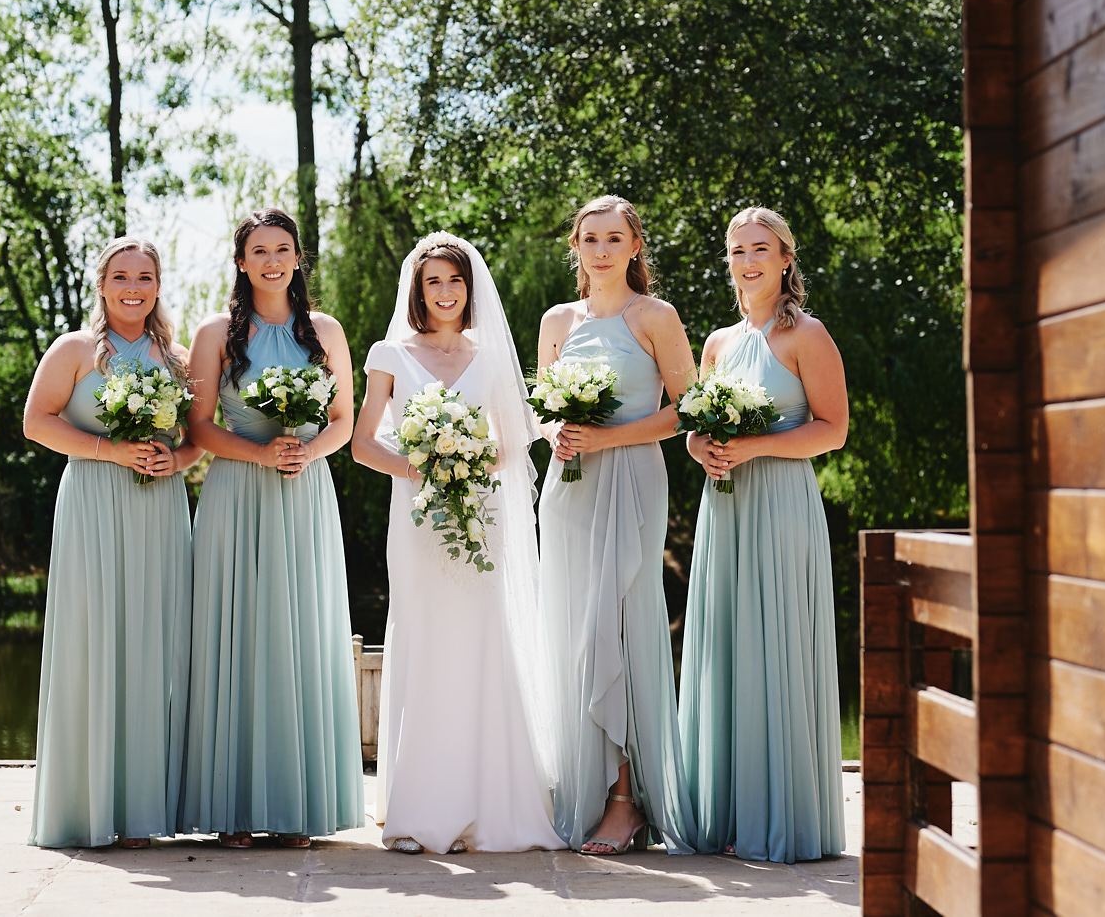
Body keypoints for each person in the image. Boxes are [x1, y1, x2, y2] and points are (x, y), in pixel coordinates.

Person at [350, 233, 564, 855]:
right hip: (417, 517)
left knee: (478, 641)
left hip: (480, 517)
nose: (445, 292)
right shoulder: (390, 354)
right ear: (417, 292)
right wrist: (421, 468)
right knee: (424, 639)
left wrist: (466, 464)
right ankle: (417, 809)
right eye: (433, 282)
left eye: (454, 281)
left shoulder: (491, 359)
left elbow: (513, 443)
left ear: (470, 289)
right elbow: (364, 444)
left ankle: (484, 806)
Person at [180, 209, 362, 848]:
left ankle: (296, 809)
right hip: (236, 492)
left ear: (297, 258)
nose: (272, 261)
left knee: (300, 636)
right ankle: (231, 809)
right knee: (236, 635)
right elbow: (199, 426)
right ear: (241, 262)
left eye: (283, 249)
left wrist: (306, 453)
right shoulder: (214, 334)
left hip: (303, 492)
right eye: (259, 250)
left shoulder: (326, 331)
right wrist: (260, 454)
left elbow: (344, 420)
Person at [680, 207, 848, 862]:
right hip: (724, 508)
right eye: (737, 250)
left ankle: (777, 817)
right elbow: (695, 428)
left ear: (785, 258)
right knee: (726, 644)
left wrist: (753, 448)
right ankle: (726, 812)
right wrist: (702, 448)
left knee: (774, 640)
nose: (747, 262)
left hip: (779, 505)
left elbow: (833, 429)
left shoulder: (806, 333)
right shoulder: (718, 342)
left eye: (760, 249)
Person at [536, 195, 700, 854]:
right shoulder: (557, 320)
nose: (600, 250)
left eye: (613, 238)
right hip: (569, 488)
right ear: (575, 247)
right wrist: (557, 432)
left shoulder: (655, 316)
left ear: (635, 247)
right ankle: (580, 787)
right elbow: (543, 405)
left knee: (623, 627)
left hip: (632, 478)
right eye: (590, 239)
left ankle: (627, 802)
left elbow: (687, 409)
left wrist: (608, 438)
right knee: (575, 631)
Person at [22, 237, 199, 848]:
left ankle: (144, 808)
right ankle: (87, 805)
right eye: (120, 276)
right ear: (101, 284)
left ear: (158, 286)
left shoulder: (177, 358)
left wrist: (178, 461)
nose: (132, 288)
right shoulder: (74, 349)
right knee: (93, 639)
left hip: (160, 509)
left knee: (156, 643)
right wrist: (110, 449)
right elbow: (36, 423)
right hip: (94, 504)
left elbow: (198, 437)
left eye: (144, 277)